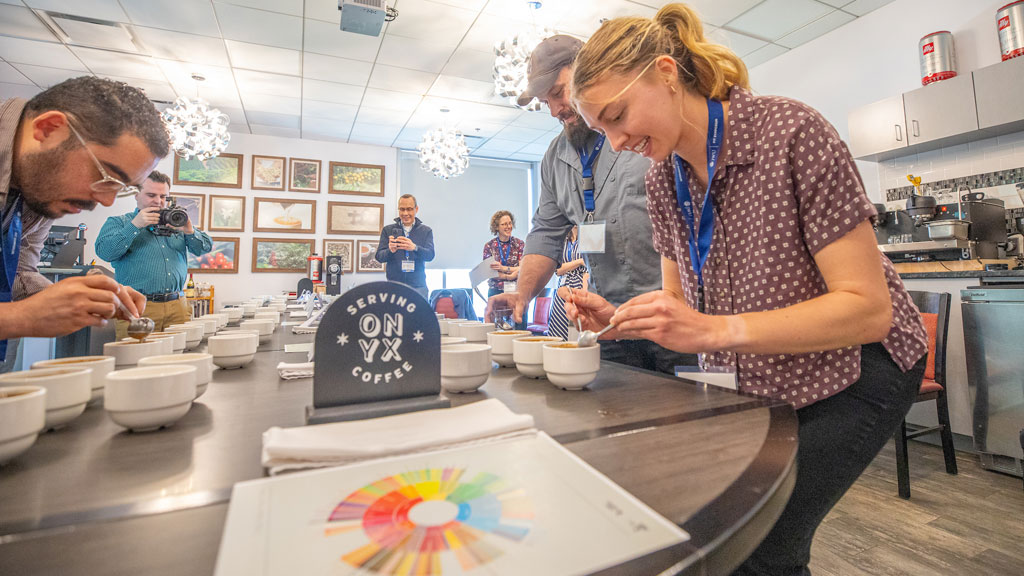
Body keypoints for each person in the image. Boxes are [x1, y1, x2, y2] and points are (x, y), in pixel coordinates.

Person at [566, 5, 929, 575]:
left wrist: (714, 330)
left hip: (859, 368)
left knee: (761, 547)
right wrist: (622, 317)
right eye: (601, 129)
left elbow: (867, 310)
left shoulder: (790, 132)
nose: (614, 143)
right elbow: (684, 313)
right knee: (729, 537)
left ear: (665, 72)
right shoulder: (664, 180)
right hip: (764, 375)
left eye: (617, 115)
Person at [485, 34, 696, 375]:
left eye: (557, 92)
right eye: (545, 101)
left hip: (674, 315)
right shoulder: (555, 157)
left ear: (588, 71)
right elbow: (546, 235)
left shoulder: (645, 134)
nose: (555, 110)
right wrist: (522, 294)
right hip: (607, 320)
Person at [0, 76, 166, 367]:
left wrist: (82, 298)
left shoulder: (38, 185)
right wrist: (19, 317)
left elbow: (18, 273)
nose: (106, 202)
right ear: (49, 129)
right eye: (106, 176)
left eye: (121, 187)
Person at [95, 170, 213, 338]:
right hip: (138, 307)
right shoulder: (119, 222)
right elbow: (105, 252)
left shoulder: (175, 222)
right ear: (136, 194)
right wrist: (134, 226)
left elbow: (205, 248)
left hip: (178, 306)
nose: (158, 201)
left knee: (178, 359)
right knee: (135, 357)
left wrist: (188, 230)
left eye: (163, 197)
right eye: (151, 195)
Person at [375, 194, 435, 299]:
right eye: (402, 209)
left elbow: (430, 256)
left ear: (416, 209)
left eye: (409, 209)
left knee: (419, 316)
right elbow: (379, 257)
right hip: (394, 286)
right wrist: (390, 250)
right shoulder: (387, 230)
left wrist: (415, 248)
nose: (405, 213)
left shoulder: (426, 231)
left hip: (418, 286)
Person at [547, 226, 588, 340]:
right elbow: (558, 270)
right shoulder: (563, 240)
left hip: (581, 287)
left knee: (576, 328)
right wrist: (579, 261)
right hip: (562, 288)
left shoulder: (588, 237)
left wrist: (585, 294)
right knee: (558, 328)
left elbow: (588, 269)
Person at [482, 210, 524, 299]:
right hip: (495, 291)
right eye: (504, 224)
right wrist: (510, 276)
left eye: (510, 223)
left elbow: (523, 268)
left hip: (516, 290)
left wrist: (502, 268)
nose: (508, 227)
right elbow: (489, 273)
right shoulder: (489, 246)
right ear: (496, 227)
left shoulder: (519, 244)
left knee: (519, 313)